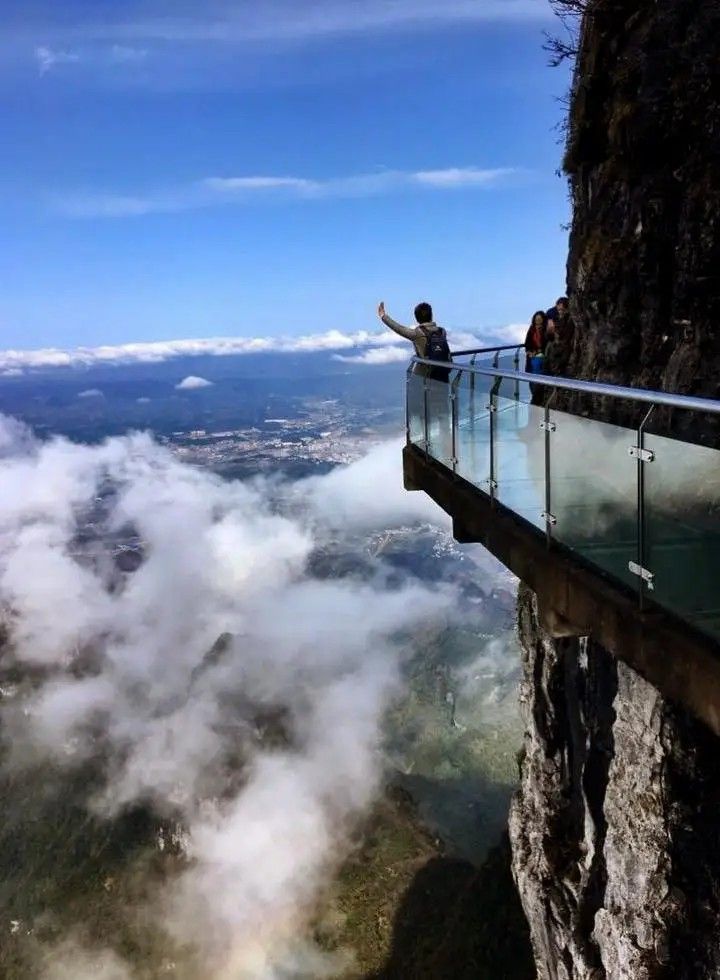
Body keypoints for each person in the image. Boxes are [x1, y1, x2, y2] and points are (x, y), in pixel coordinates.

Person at [377, 301, 451, 381]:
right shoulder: (442, 331)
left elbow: (398, 328)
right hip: (444, 374)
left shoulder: (417, 333)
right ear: (431, 315)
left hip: (426, 378)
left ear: (416, 318)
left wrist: (383, 316)